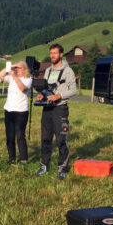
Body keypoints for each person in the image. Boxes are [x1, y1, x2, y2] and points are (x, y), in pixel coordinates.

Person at [35, 44, 77, 180]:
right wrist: (42, 95)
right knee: (45, 138)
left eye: (55, 53)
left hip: (60, 109)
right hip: (47, 108)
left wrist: (59, 96)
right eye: (51, 53)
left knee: (61, 140)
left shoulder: (68, 71)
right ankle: (44, 166)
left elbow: (73, 90)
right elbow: (45, 88)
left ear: (61, 54)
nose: (52, 55)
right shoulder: (47, 71)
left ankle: (62, 168)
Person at [0, 61, 33, 164]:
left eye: (19, 68)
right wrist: (11, 66)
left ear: (25, 69)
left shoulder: (28, 80)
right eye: (16, 68)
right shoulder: (11, 78)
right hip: (9, 110)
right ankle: (12, 158)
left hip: (21, 111)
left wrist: (15, 76)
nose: (17, 70)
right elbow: (0, 75)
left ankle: (23, 159)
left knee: (20, 135)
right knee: (10, 136)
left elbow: (22, 88)